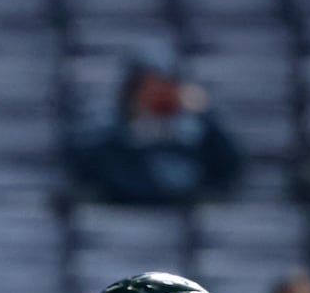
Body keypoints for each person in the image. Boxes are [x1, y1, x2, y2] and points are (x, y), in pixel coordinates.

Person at [65, 38, 242, 205]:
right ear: (131, 88)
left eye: (166, 85)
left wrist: (205, 115)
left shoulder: (196, 133)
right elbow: (81, 164)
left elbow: (230, 167)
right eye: (149, 85)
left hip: (183, 222)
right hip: (122, 219)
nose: (157, 94)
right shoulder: (105, 132)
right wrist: (131, 132)